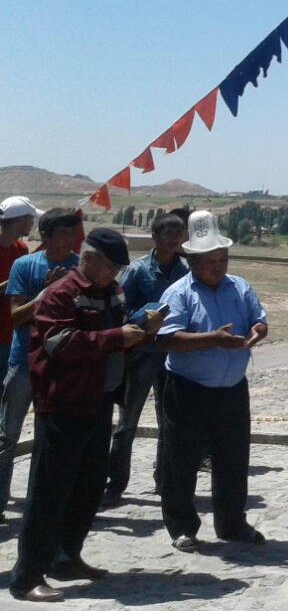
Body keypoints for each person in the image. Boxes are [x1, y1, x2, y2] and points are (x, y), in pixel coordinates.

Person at [8, 228, 158, 602]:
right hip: (64, 404)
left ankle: (65, 558)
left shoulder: (112, 291)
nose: (115, 274)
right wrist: (116, 338)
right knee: (49, 492)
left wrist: (142, 331)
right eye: (111, 266)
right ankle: (27, 577)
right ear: (88, 259)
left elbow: (114, 338)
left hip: (99, 401)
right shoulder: (60, 294)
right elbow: (59, 344)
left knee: (88, 486)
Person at [155, 210, 268, 552]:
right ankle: (182, 526)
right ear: (192, 261)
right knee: (182, 459)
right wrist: (213, 340)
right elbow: (167, 339)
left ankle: (232, 523)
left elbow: (259, 320)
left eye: (223, 259)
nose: (218, 266)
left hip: (232, 388)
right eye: (210, 261)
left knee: (233, 458)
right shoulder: (178, 293)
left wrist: (257, 331)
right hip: (188, 388)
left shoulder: (240, 287)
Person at [101, 212, 189, 508]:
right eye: (168, 233)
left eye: (178, 233)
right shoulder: (138, 270)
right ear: (155, 237)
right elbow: (120, 311)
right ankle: (116, 484)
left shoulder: (186, 271)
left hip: (172, 355)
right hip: (142, 355)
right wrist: (143, 319)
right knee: (127, 424)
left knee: (170, 424)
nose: (174, 239)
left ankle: (164, 482)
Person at [0, 208, 80, 524]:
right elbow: (16, 317)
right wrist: (47, 293)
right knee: (8, 435)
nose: (69, 240)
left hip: (61, 366)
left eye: (73, 234)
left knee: (52, 438)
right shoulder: (24, 265)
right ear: (45, 237)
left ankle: (42, 504)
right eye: (63, 234)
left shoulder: (80, 268)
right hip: (23, 362)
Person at [0, 197, 40, 370]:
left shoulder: (21, 249)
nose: (32, 223)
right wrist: (15, 280)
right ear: (19, 220)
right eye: (31, 219)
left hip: (11, 332)